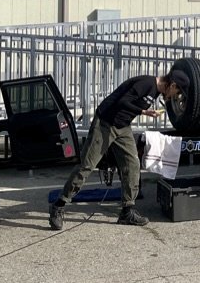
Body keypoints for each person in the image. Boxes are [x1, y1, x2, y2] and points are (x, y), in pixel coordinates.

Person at [48, 70, 190, 229]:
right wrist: (143, 111)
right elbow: (122, 101)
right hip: (105, 123)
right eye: (177, 91)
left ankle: (127, 211)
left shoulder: (156, 91)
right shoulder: (146, 84)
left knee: (132, 165)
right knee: (86, 166)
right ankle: (58, 206)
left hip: (123, 127)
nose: (175, 96)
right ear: (172, 84)